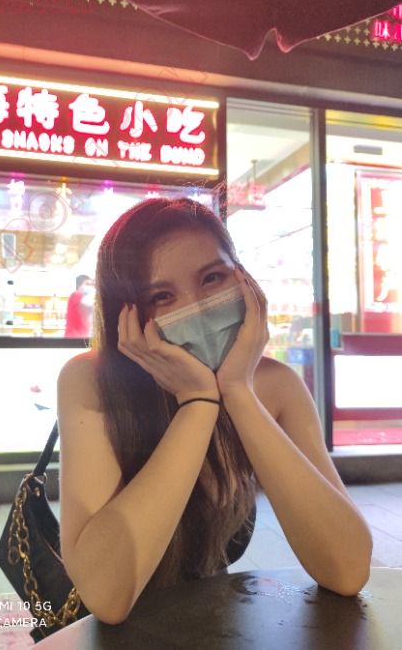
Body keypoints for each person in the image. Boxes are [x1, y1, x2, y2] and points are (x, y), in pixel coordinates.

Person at [57, 197, 372, 625]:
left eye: (212, 278)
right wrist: (198, 403)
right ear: (126, 316)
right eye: (162, 296)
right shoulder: (91, 381)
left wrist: (239, 392)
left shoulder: (275, 386)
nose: (198, 306)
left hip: (216, 625)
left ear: (244, 280)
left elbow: (347, 569)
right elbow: (106, 596)